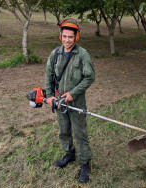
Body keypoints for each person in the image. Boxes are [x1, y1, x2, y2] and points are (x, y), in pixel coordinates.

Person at [45, 18, 95, 184]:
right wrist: (50, 95)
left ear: (76, 37)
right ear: (60, 36)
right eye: (64, 36)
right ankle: (69, 154)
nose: (67, 40)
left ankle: (85, 162)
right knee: (64, 130)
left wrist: (73, 93)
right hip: (60, 102)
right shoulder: (55, 54)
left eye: (70, 37)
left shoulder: (82, 55)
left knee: (80, 133)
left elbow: (89, 77)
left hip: (76, 102)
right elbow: (49, 76)